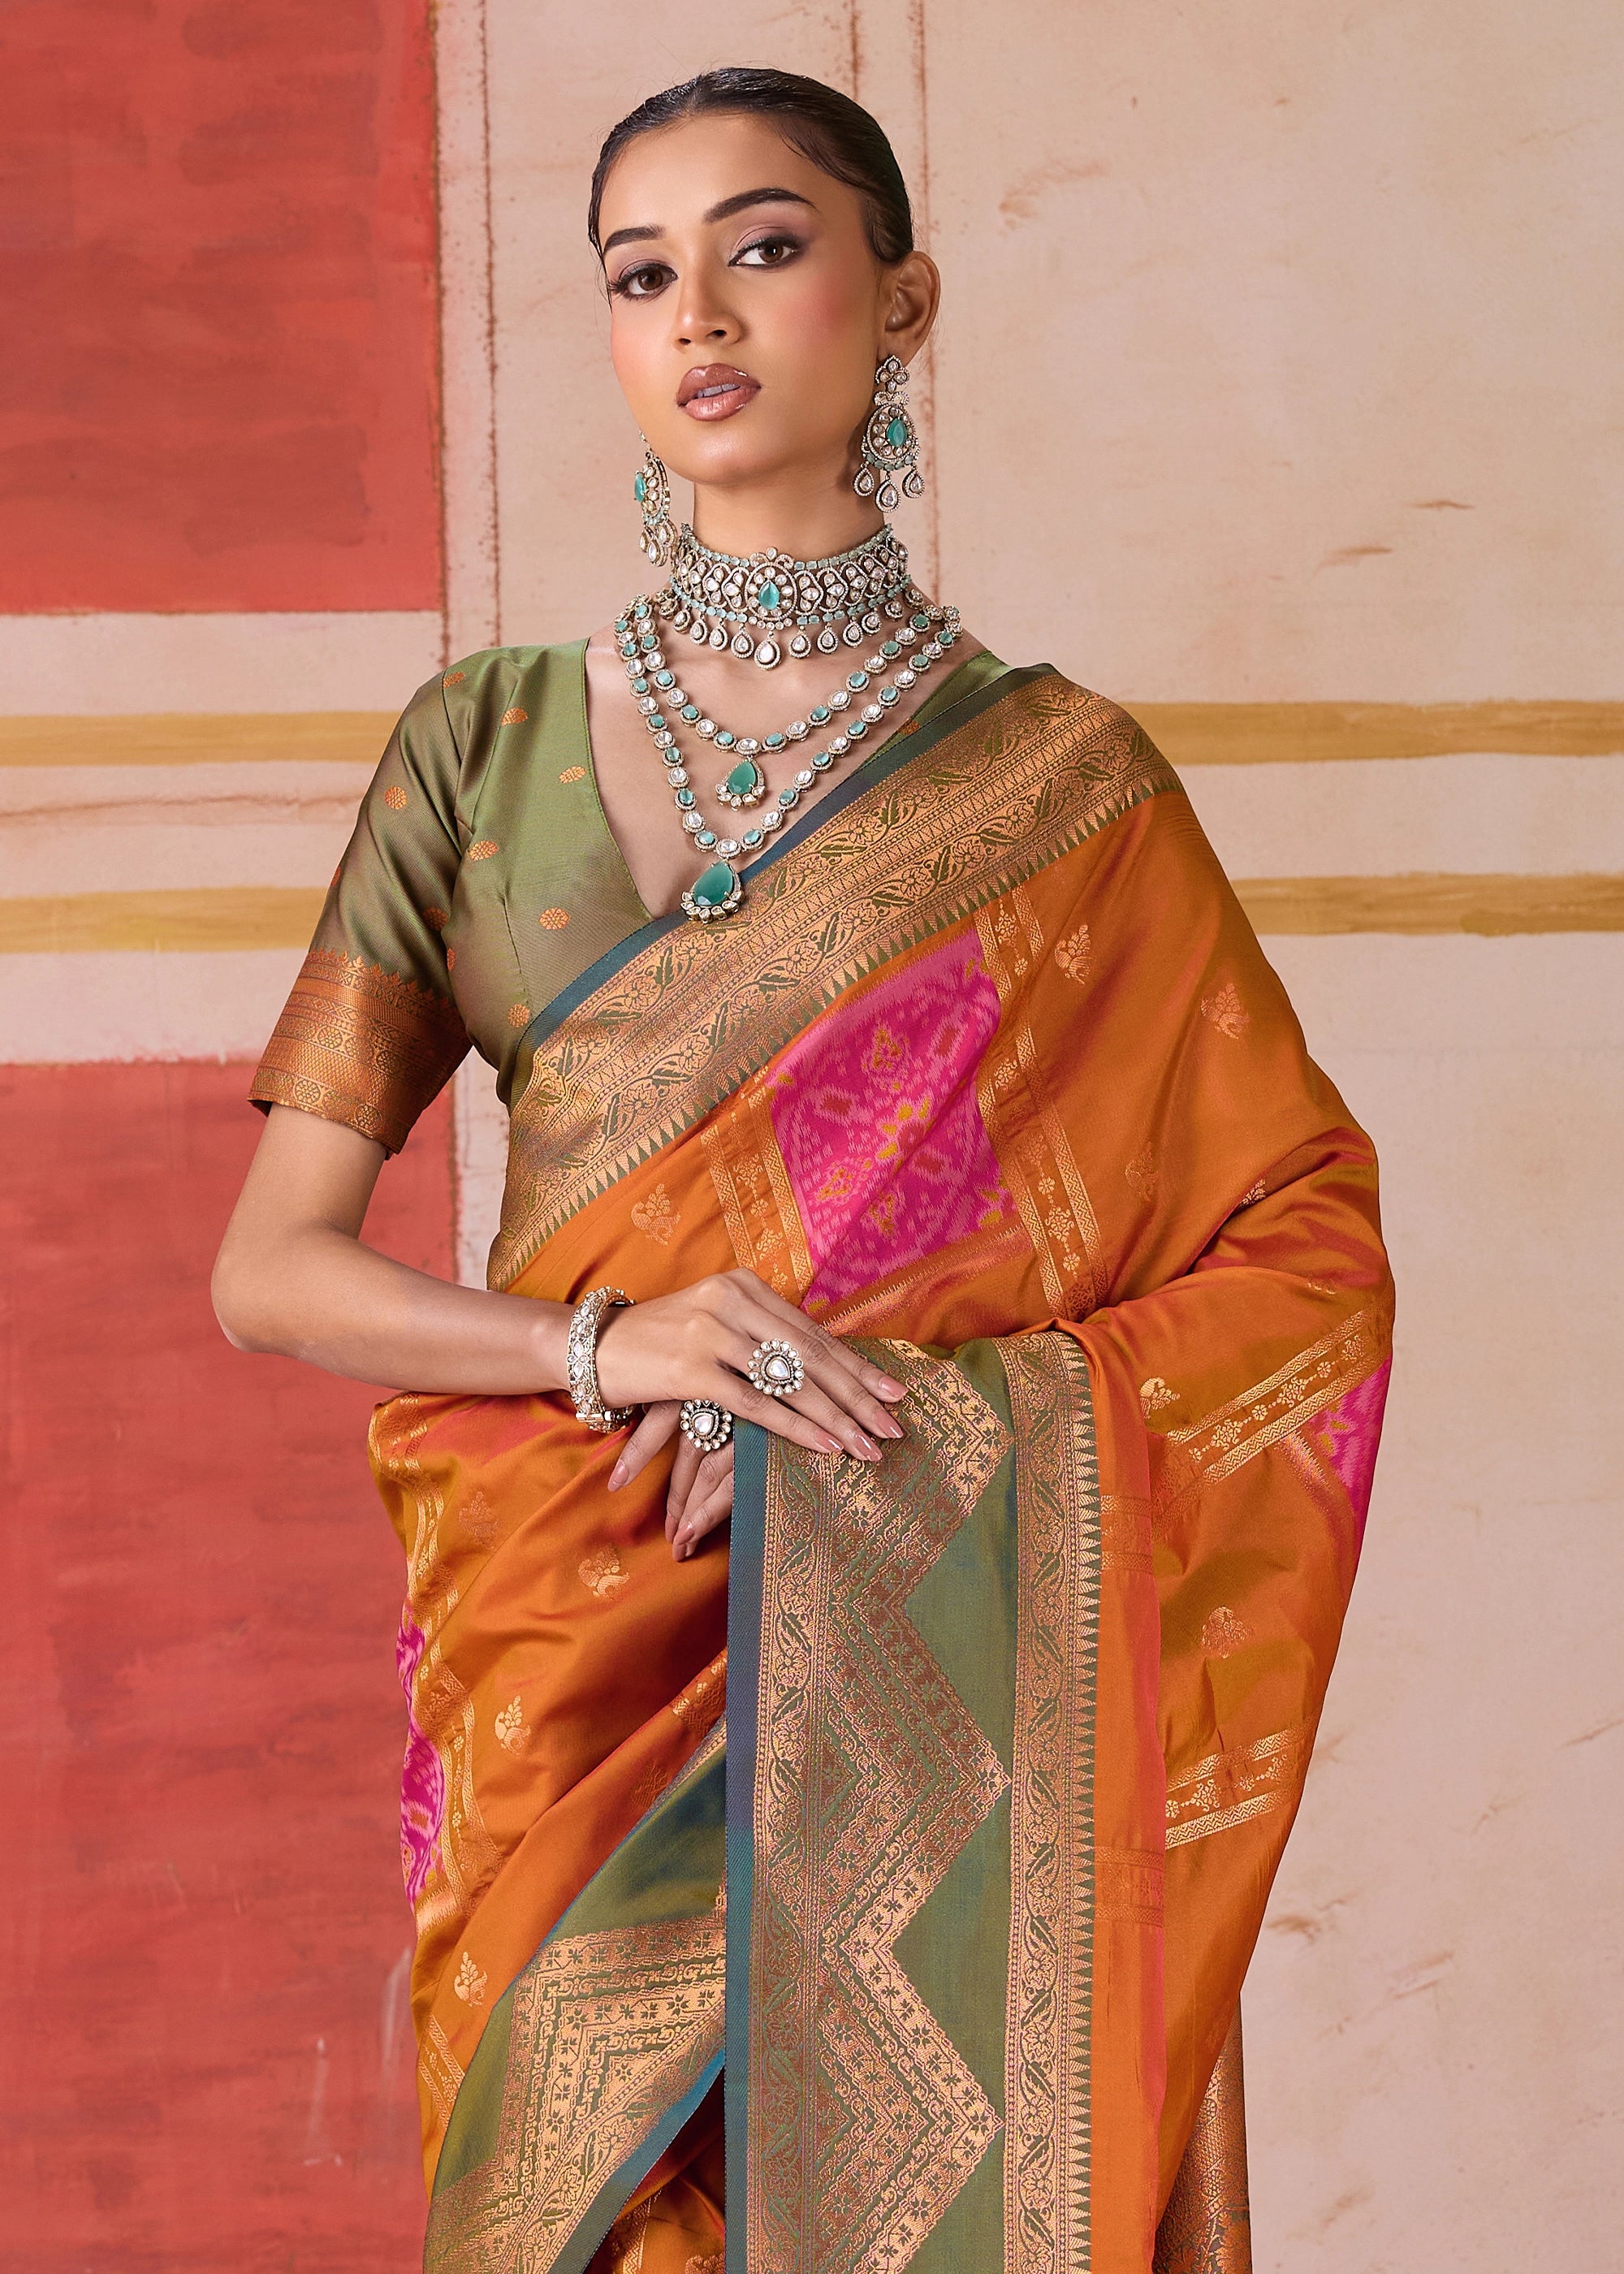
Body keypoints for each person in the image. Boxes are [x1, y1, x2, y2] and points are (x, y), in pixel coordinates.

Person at [213, 66, 1393, 2274]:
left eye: (763, 247)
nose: (699, 315)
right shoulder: (479, 746)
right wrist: (616, 1349)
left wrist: (894, 1441)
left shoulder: (1065, 789)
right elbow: (271, 1268)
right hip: (570, 1640)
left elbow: (1304, 1259)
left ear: (902, 300)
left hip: (919, 1662)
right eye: (638, 274)